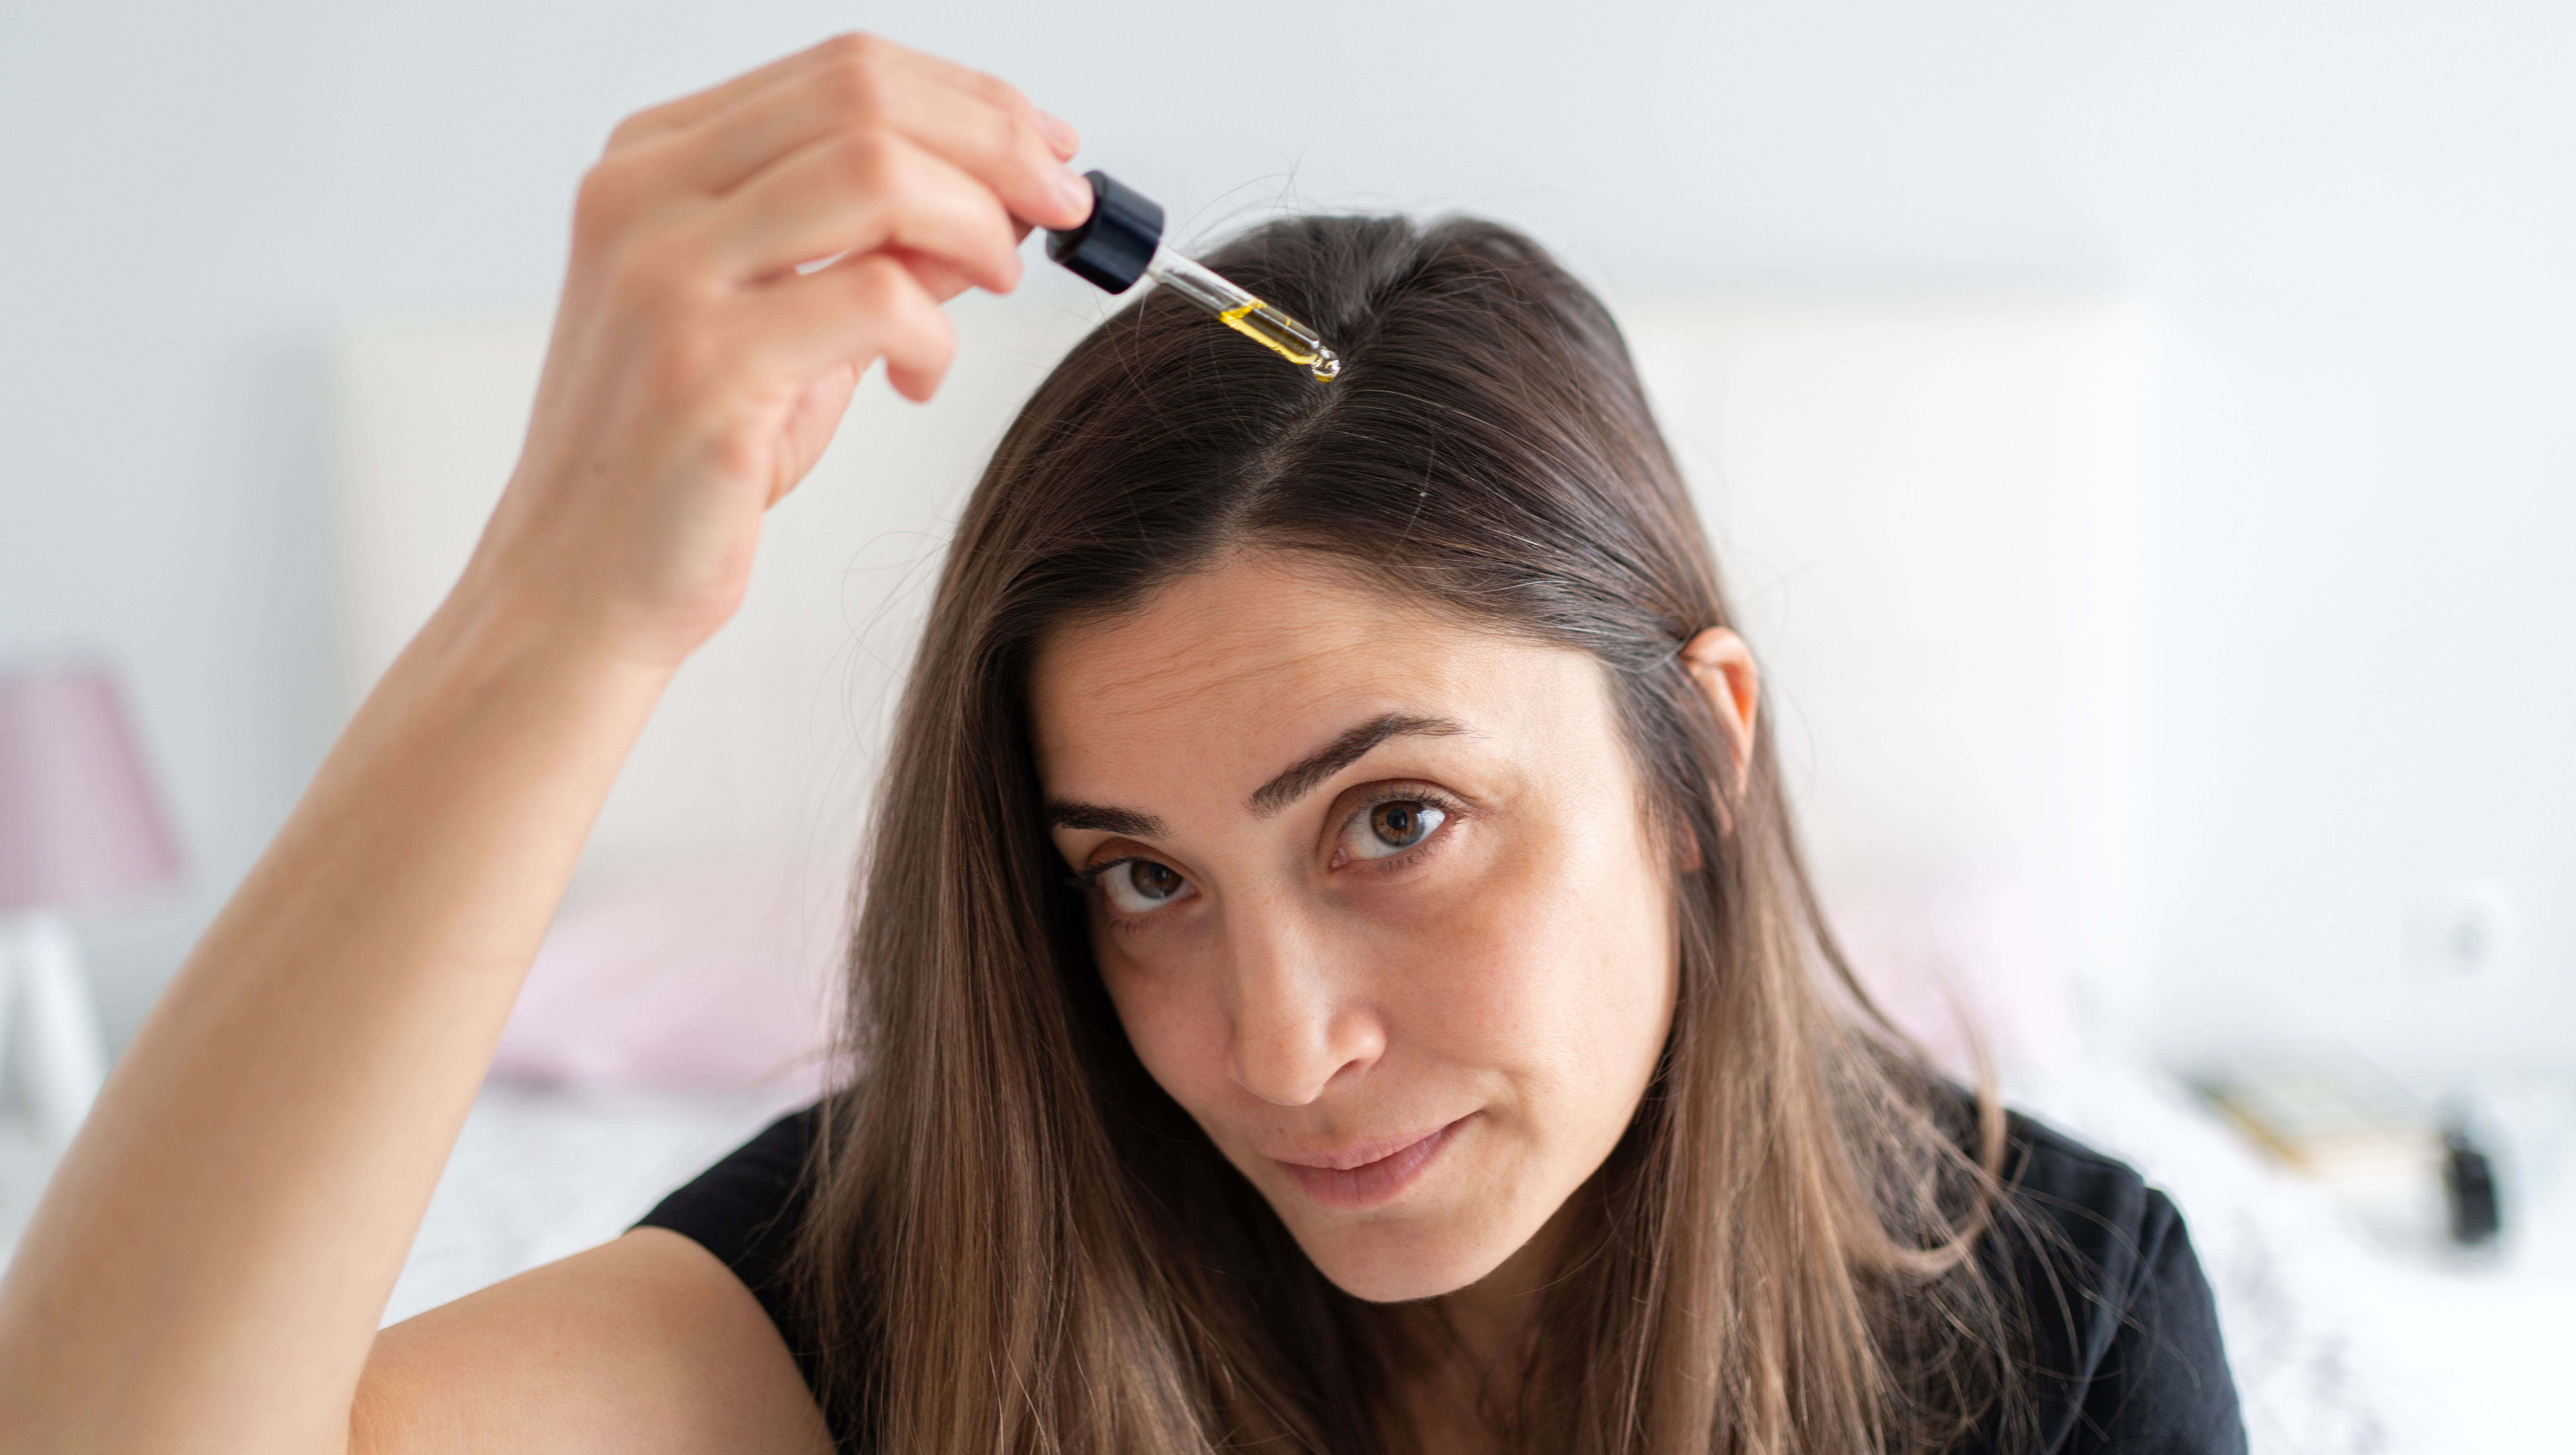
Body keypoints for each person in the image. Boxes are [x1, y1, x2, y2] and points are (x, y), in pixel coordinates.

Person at [0, 34, 2244, 1455]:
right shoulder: (908, 1270)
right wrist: (558, 611)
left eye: (1398, 819)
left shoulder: (2052, 1334)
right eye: (1141, 878)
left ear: (1696, 762)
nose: (1275, 1047)